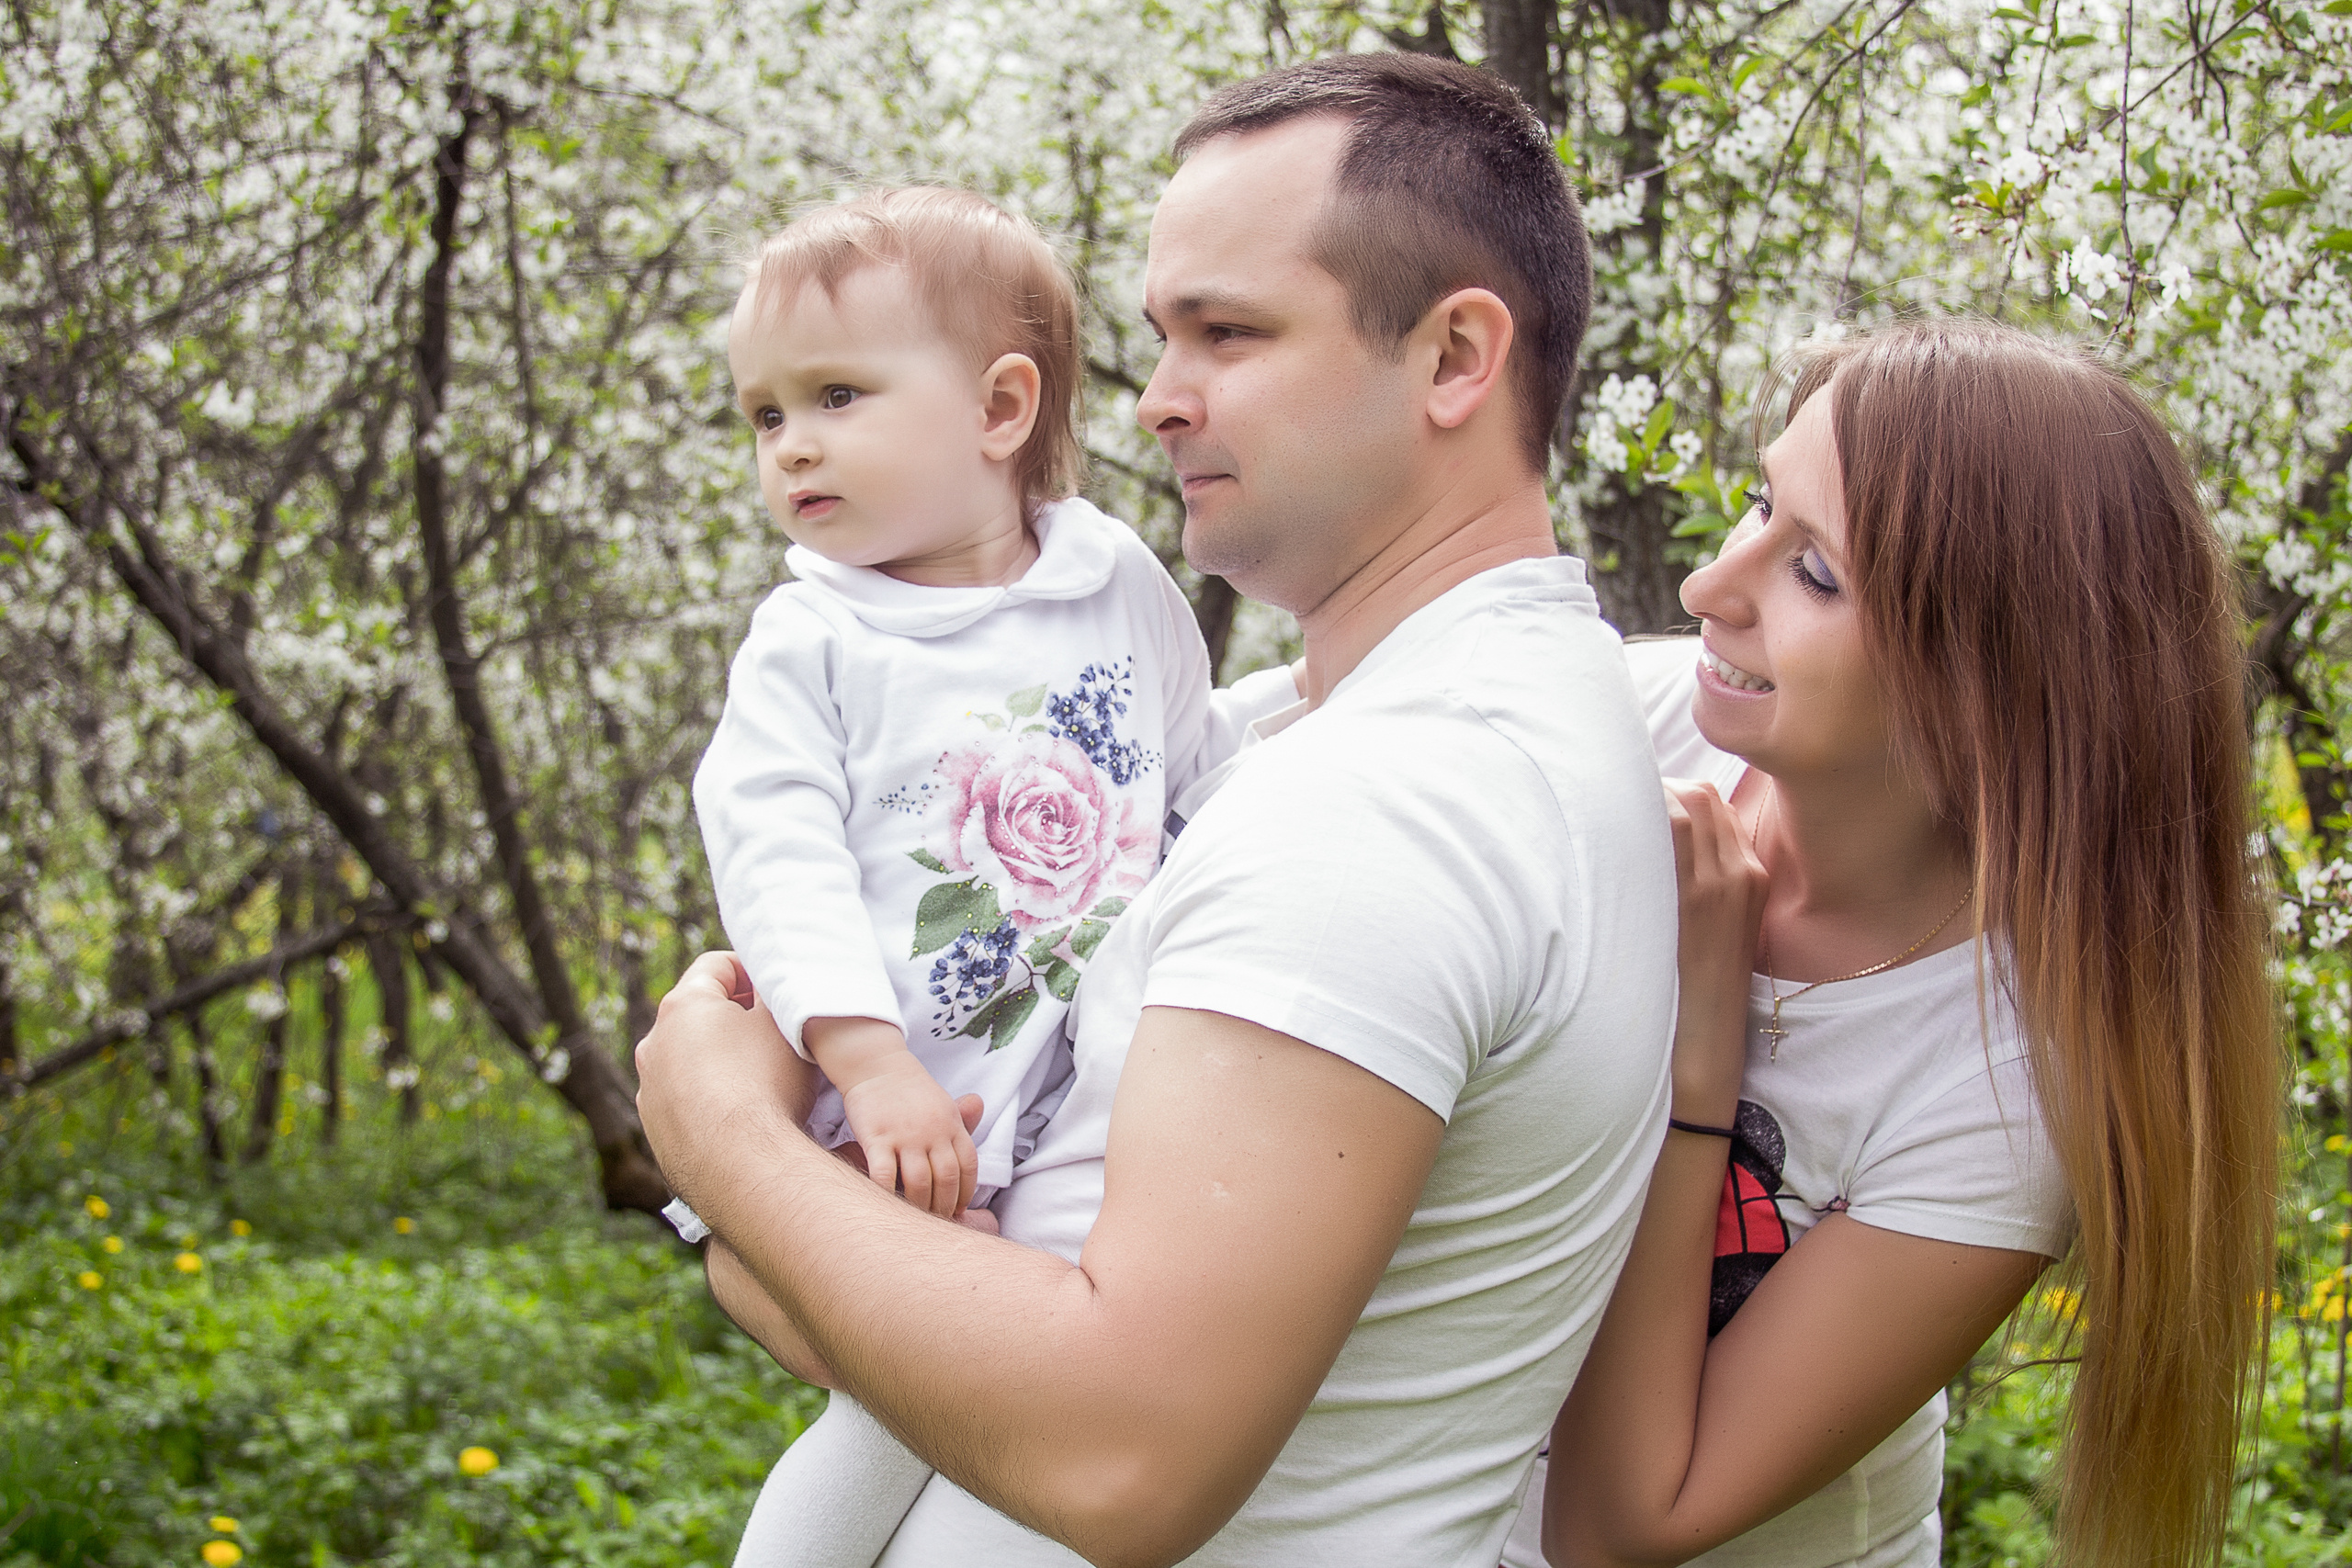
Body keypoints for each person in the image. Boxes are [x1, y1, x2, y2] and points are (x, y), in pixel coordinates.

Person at [634, 52, 1681, 1568]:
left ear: (1457, 358)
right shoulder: (1440, 716)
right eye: (1159, 335)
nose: (1159, 397)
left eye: (1230, 332)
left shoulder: (1391, 806)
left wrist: (727, 1142)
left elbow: (1118, 1454)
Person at [1507, 319, 2278, 1568]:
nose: (1711, 586)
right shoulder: (1633, 727)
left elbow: (1614, 1526)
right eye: (1759, 503)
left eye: (1815, 572)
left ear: (1994, 680)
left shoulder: (2011, 1085)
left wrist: (1698, 1069)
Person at [685, 186, 1297, 1565]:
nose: (791, 447)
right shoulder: (815, 638)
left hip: (1078, 1100)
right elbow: (773, 855)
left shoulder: (1115, 582)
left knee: (1002, 1407)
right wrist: (868, 1063)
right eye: (765, 414)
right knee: (892, 1417)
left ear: (1000, 407)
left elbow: (1191, 767)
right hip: (898, 1119)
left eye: (836, 394)